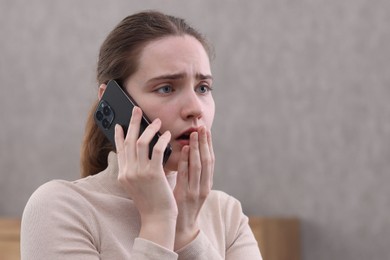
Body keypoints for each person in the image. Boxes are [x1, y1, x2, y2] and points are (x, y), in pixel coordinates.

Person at [21, 10, 262, 259]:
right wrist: (158, 220)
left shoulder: (227, 214)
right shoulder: (60, 208)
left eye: (203, 88)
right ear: (113, 102)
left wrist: (186, 233)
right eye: (166, 88)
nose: (195, 109)